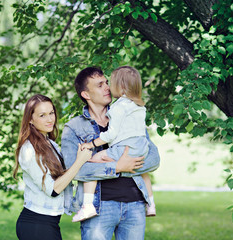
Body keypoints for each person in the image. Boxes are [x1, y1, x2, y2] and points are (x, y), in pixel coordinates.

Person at [61, 67, 161, 240]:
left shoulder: (129, 115)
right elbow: (75, 171)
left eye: (107, 82)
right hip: (99, 209)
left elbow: (153, 159)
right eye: (100, 85)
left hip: (135, 205)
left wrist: (122, 167)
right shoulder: (74, 128)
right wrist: (116, 167)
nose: (107, 87)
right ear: (86, 94)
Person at [13, 94, 92, 240]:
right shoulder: (29, 149)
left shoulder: (50, 144)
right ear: (30, 119)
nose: (50, 119)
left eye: (51, 113)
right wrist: (79, 162)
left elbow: (63, 176)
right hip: (36, 223)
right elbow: (53, 189)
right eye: (42, 115)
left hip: (49, 223)